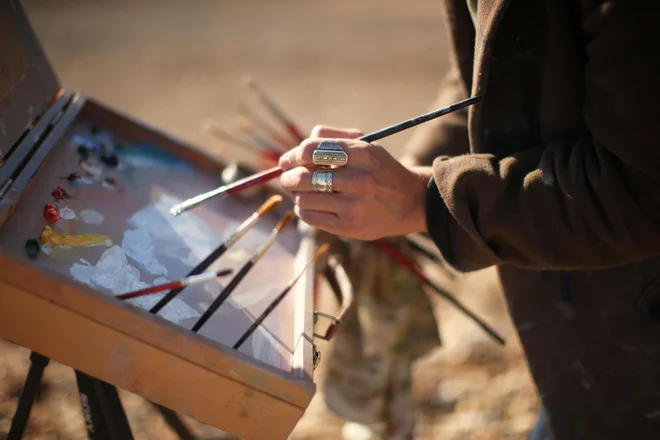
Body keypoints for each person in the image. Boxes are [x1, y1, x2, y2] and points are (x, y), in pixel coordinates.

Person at [278, 1, 660, 439]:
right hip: (581, 349)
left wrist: (424, 200)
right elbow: (491, 77)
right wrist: (399, 179)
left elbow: (642, 184)